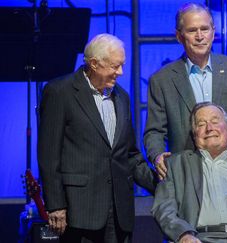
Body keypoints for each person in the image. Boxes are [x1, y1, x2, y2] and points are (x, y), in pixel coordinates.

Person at [37, 33, 157, 242]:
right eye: (114, 66)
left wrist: (162, 185)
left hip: (120, 212)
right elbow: (49, 155)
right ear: (94, 64)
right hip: (79, 211)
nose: (120, 72)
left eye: (122, 65)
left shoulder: (121, 97)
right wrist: (56, 205)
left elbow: (129, 154)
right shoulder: (60, 92)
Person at [144, 2, 227, 180]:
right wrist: (157, 156)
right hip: (186, 177)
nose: (199, 36)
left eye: (204, 29)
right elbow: (154, 131)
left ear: (213, 31)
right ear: (179, 36)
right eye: (191, 30)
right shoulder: (162, 80)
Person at [151, 102, 227, 243]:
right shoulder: (175, 165)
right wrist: (183, 235)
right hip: (198, 238)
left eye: (215, 121)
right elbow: (164, 209)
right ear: (194, 134)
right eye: (201, 124)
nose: (209, 128)